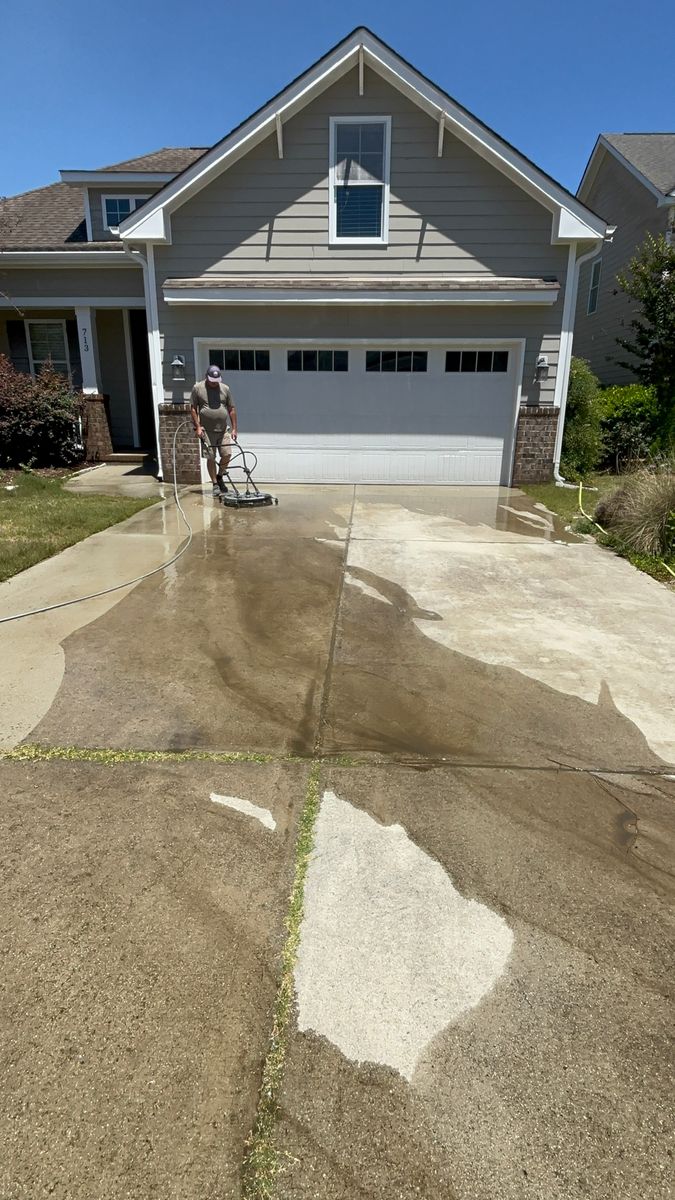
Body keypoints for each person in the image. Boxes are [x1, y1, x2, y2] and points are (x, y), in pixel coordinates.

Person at [190, 365, 238, 495]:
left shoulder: (225, 389)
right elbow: (193, 408)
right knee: (211, 457)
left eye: (216, 381)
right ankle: (215, 484)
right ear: (207, 377)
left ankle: (220, 476)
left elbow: (231, 409)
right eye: (212, 381)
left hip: (223, 429)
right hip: (207, 430)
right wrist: (198, 427)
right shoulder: (198, 388)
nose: (214, 383)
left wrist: (234, 429)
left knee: (227, 454)